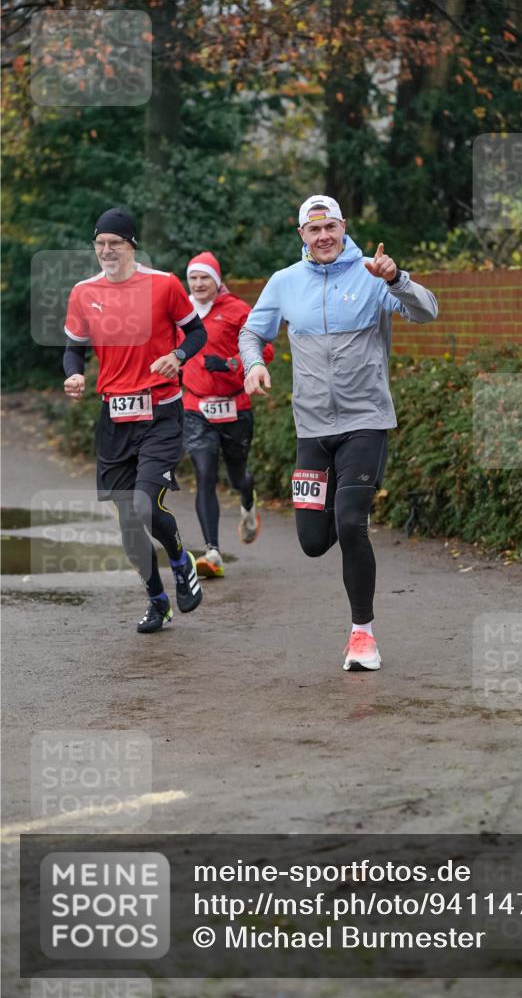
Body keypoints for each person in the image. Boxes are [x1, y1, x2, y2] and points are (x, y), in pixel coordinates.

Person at [239, 195, 438, 671]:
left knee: (351, 523)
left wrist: (396, 279)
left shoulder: (372, 274)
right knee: (312, 540)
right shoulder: (285, 282)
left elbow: (427, 311)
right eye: (314, 229)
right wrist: (252, 366)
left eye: (331, 227)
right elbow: (252, 332)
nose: (323, 236)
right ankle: (341, 505)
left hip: (365, 421)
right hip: (312, 427)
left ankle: (362, 635)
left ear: (344, 228)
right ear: (301, 235)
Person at [62, 207, 206, 634]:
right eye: (100, 243)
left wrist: (178, 356)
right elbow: (74, 348)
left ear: (131, 246)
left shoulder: (164, 285)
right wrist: (73, 372)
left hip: (160, 411)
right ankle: (157, 601)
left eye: (115, 243)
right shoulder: (83, 292)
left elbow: (196, 332)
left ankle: (182, 562)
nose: (106, 250)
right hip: (114, 416)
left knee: (145, 505)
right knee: (127, 520)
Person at [181, 252, 274, 578]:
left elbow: (267, 349)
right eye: (193, 278)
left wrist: (233, 363)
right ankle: (212, 551)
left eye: (205, 277)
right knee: (204, 472)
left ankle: (248, 503)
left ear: (217, 280)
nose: (198, 283)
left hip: (235, 406)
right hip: (196, 408)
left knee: (237, 476)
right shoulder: (181, 311)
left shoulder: (236, 310)